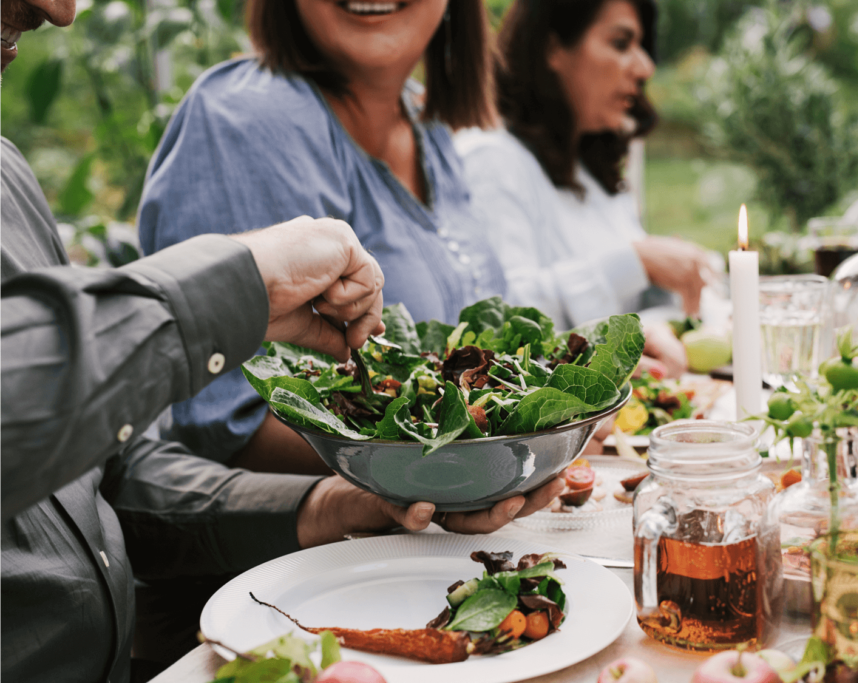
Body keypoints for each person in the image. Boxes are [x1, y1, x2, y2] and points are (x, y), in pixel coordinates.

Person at [0, 2, 562, 681]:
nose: (61, 10)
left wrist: (336, 503)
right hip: (271, 614)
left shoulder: (9, 179)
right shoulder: (249, 116)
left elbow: (101, 480)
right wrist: (238, 285)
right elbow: (213, 423)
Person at [136, 0, 509, 475]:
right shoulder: (252, 116)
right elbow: (227, 428)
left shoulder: (423, 120)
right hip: (323, 547)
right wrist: (476, 457)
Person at [455, 0, 711, 378]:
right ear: (552, 49)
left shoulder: (592, 166)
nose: (645, 68)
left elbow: (635, 306)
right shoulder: (490, 161)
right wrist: (638, 260)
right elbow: (496, 321)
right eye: (621, 43)